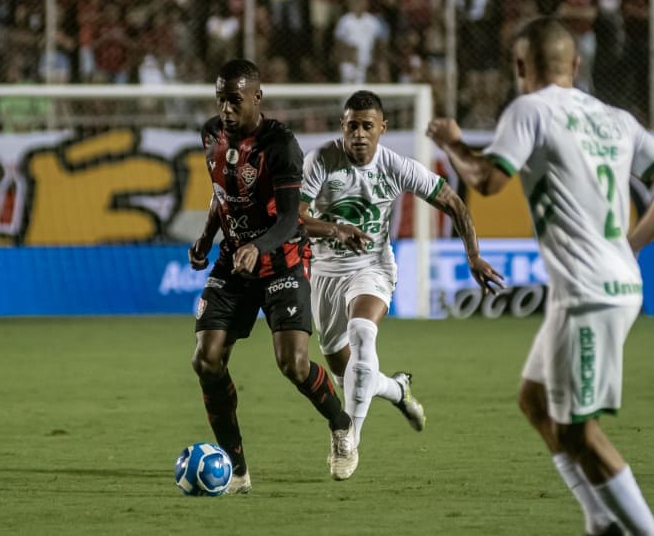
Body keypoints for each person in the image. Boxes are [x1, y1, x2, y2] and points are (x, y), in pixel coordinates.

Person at [427, 17, 654, 536]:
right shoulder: (615, 118)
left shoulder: (529, 109)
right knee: (534, 399)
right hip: (600, 284)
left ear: (520, 66)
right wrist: (632, 244)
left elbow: (486, 182)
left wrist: (455, 143)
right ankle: (599, 518)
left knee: (577, 431)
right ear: (575, 65)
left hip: (589, 292)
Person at [299, 90, 503, 475]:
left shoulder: (396, 166)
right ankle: (396, 389)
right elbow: (295, 216)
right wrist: (335, 229)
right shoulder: (321, 161)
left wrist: (472, 254)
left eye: (367, 126)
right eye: (352, 126)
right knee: (347, 376)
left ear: (382, 129)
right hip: (325, 273)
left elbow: (454, 202)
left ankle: (348, 439)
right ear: (342, 126)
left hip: (372, 268)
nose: (359, 134)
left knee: (363, 333)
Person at [188, 59, 355, 493]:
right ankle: (236, 469)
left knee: (293, 365)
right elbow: (220, 195)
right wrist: (206, 239)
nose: (225, 109)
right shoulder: (210, 134)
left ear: (257, 98)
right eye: (220, 99)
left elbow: (288, 220)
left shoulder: (280, 145)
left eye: (234, 100)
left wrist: (256, 246)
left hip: (280, 259)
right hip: (233, 261)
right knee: (206, 360)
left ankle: (341, 424)